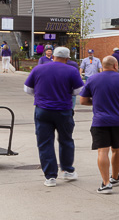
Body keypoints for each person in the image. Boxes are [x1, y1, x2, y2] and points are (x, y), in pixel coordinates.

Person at [79, 56, 119, 193]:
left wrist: (95, 102)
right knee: (117, 150)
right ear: (115, 66)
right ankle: (114, 177)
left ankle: (106, 183)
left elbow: (83, 101)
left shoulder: (92, 79)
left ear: (102, 65)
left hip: (100, 121)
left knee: (102, 151)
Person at [24, 46, 84, 186]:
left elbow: (28, 89)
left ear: (53, 56)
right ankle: (68, 170)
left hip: (42, 110)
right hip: (63, 110)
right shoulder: (71, 70)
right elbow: (78, 90)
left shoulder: (38, 68)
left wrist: (40, 96)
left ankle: (50, 177)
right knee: (66, 140)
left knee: (45, 143)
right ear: (67, 58)